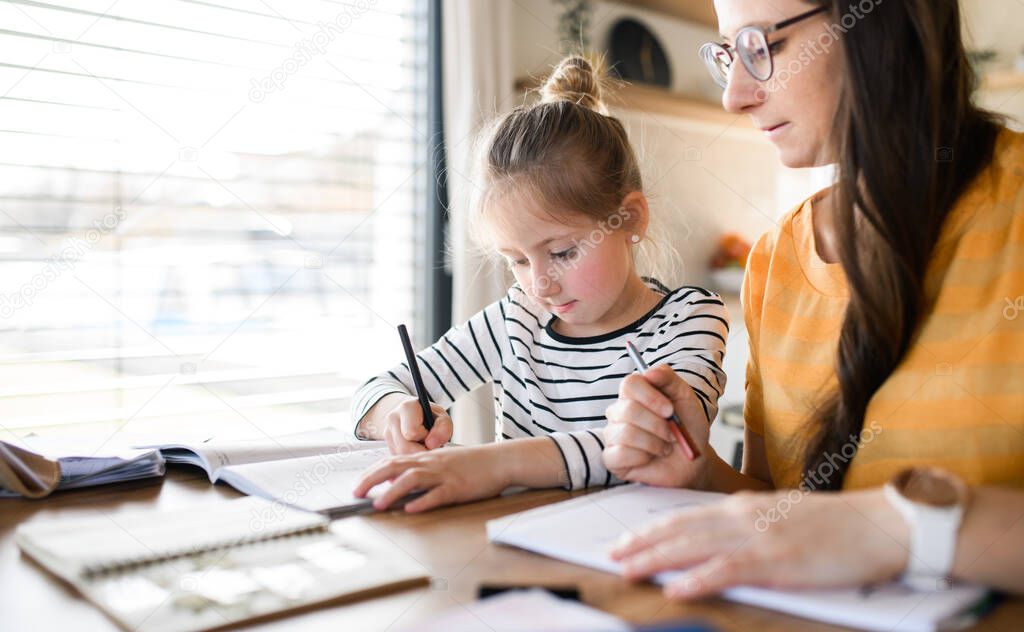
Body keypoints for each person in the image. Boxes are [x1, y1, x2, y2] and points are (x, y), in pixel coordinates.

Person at [603, 0, 1024, 598]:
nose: (734, 96)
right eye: (728, 55)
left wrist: (897, 530)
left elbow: (844, 529)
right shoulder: (775, 261)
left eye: (760, 47)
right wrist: (701, 472)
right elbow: (786, 511)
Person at [350, 55, 729, 513]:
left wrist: (495, 465)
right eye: (516, 261)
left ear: (629, 218)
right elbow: (377, 387)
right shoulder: (518, 318)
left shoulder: (688, 319)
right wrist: (397, 414)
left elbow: (658, 445)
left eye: (563, 252)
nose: (541, 285)